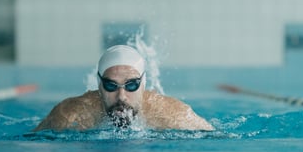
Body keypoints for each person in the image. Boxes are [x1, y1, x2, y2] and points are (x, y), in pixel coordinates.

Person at [34, 45, 214, 131]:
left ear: (143, 84)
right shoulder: (71, 116)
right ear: (99, 85)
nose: (121, 96)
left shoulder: (173, 115)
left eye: (131, 85)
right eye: (111, 85)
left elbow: (214, 137)